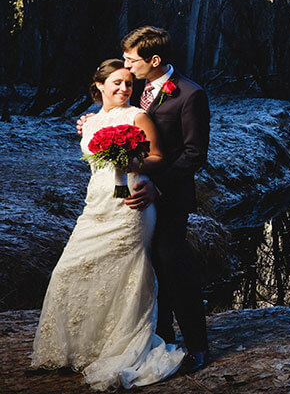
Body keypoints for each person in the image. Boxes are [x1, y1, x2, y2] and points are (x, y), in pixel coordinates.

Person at [31, 60, 185, 389]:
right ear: (99, 85)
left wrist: (131, 160)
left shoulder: (138, 117)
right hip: (96, 204)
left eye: (129, 84)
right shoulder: (89, 122)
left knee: (124, 272)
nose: (123, 89)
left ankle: (120, 346)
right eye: (116, 83)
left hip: (131, 204)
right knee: (68, 269)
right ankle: (76, 348)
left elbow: (158, 156)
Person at [119, 26, 211, 374]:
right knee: (146, 267)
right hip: (132, 194)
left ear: (154, 60)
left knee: (173, 263)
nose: (126, 68)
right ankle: (160, 337)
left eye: (132, 61)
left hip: (170, 197)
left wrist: (160, 187)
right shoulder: (134, 89)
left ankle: (198, 346)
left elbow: (193, 154)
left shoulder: (190, 95)